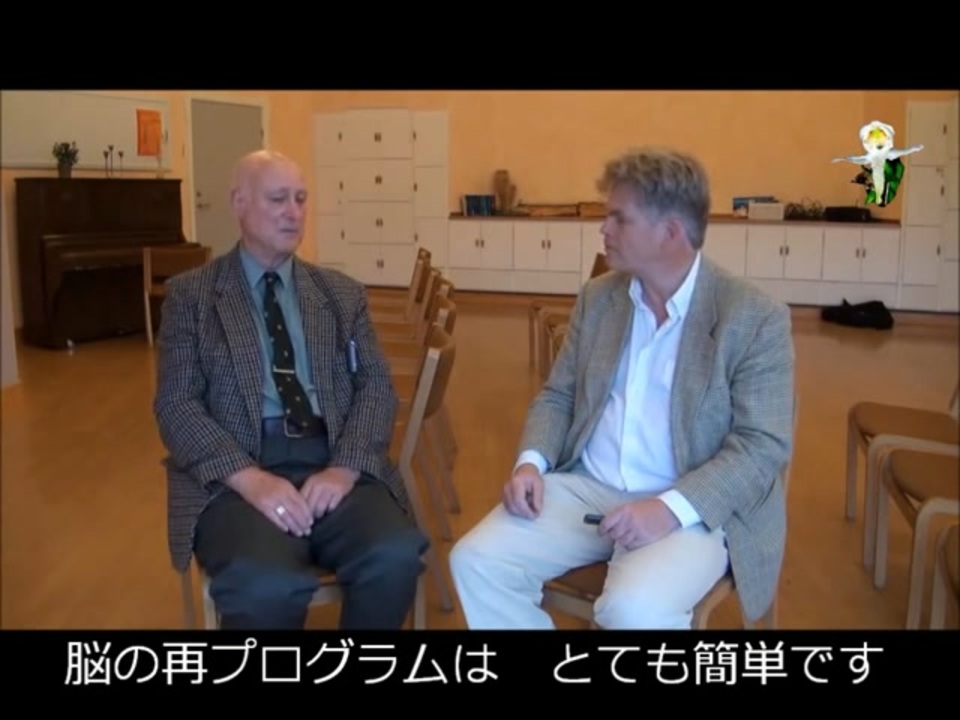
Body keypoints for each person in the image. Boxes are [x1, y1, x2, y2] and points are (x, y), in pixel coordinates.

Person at [449, 147, 795, 629]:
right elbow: (559, 394)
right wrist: (531, 463)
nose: (603, 228)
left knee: (634, 608)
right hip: (588, 487)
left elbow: (762, 448)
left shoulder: (753, 317)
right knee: (476, 561)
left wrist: (668, 509)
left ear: (670, 231)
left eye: (619, 218)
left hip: (692, 503)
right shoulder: (600, 298)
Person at [154, 149, 428, 630]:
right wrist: (249, 478)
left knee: (395, 555)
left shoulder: (340, 293)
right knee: (266, 584)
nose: (294, 212)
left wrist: (344, 467)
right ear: (239, 203)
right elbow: (176, 404)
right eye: (278, 198)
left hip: (333, 457)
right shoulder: (191, 296)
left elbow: (376, 387)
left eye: (301, 199)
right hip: (238, 472)